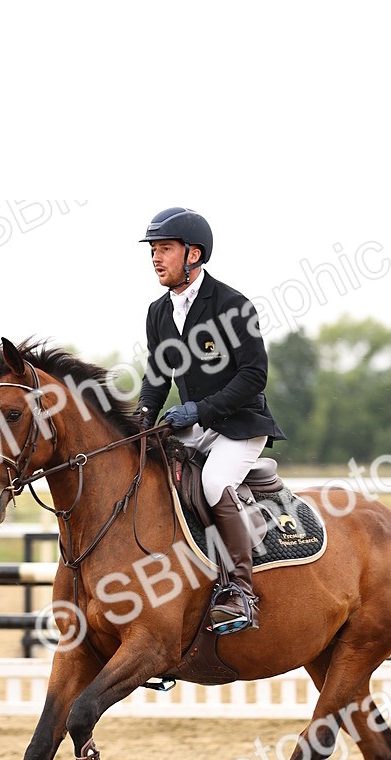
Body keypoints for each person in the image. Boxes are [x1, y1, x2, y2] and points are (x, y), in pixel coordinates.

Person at [135, 207, 285, 634]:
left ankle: (241, 591)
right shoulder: (158, 312)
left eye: (165, 249)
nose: (156, 258)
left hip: (239, 426)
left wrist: (199, 410)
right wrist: (141, 421)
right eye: (153, 251)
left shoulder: (232, 305)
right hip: (194, 427)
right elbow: (157, 375)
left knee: (215, 483)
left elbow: (254, 375)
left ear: (193, 255)